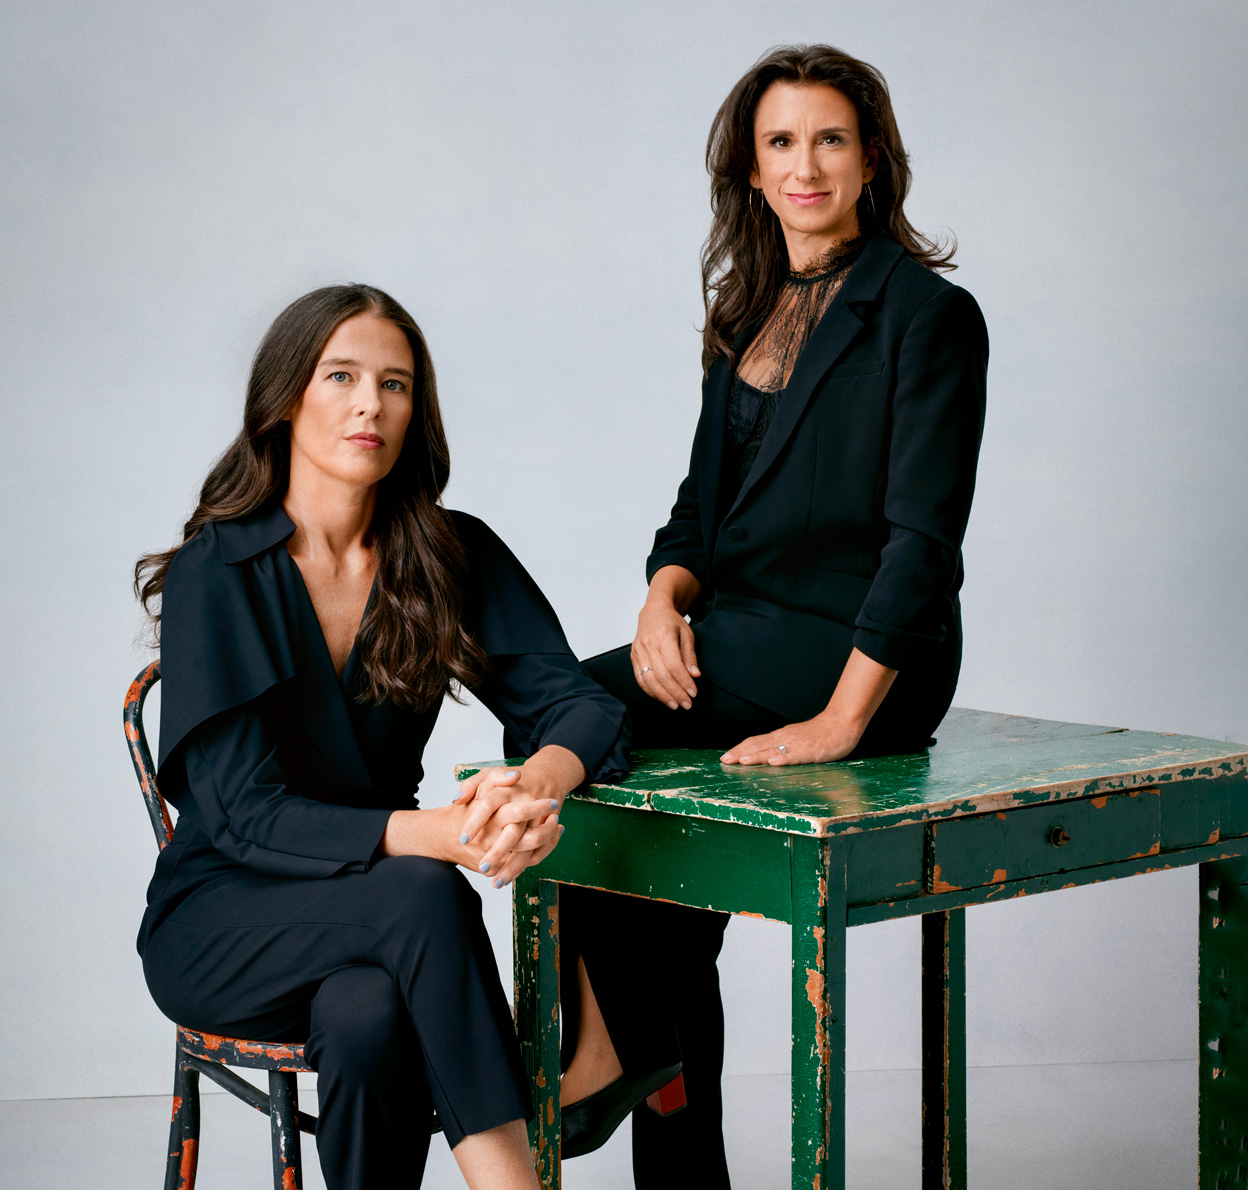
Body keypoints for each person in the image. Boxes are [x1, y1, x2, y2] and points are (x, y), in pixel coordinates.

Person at [557, 44, 989, 1187]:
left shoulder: (928, 315)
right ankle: (663, 1112)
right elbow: (698, 514)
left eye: (830, 139)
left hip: (864, 649)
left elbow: (923, 541)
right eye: (781, 143)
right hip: (742, 630)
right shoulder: (743, 314)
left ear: (872, 159)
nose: (806, 165)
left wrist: (844, 721)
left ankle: (608, 1044)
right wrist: (661, 601)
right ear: (750, 171)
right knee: (655, 906)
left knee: (566, 709)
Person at [133, 284, 630, 1190]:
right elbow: (243, 816)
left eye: (395, 384)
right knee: (424, 891)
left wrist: (538, 783)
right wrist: (438, 834)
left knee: (367, 1012)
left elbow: (578, 703)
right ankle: (520, 1175)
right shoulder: (221, 567)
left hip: (378, 920)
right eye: (342, 376)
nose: (370, 403)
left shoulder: (445, 553)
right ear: (286, 397)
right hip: (225, 919)